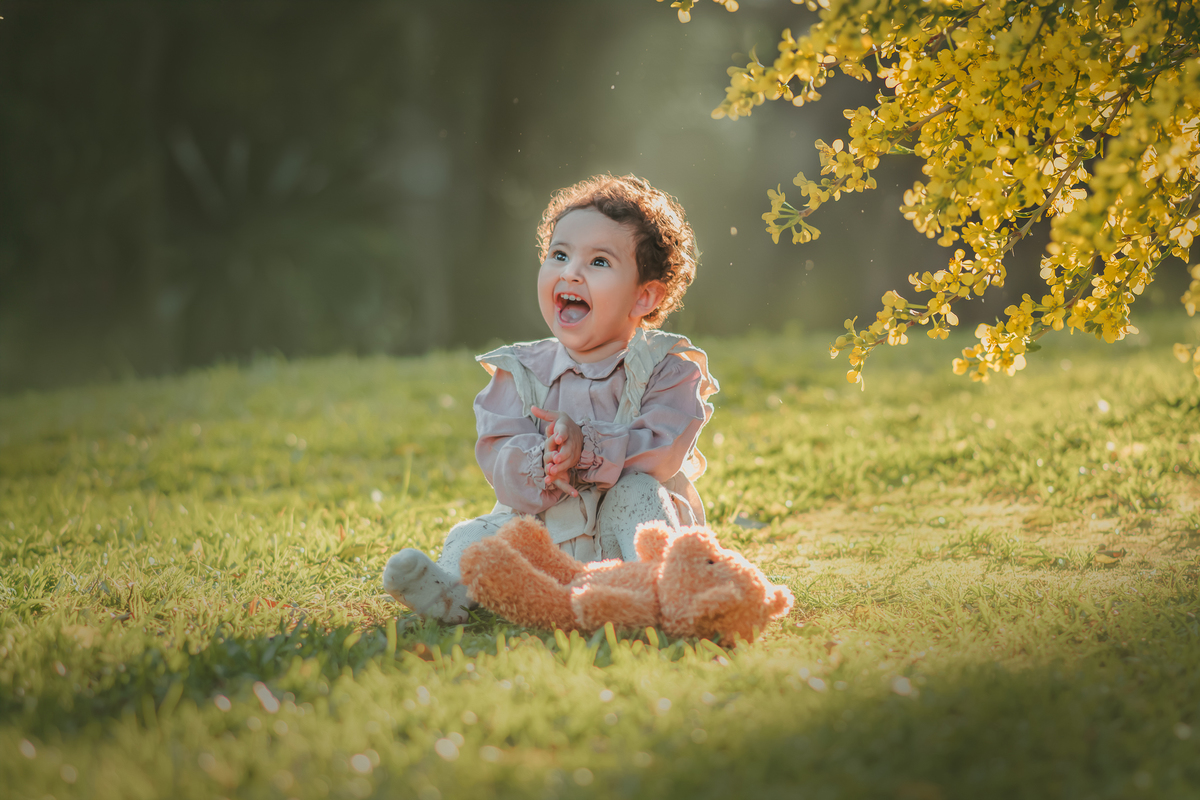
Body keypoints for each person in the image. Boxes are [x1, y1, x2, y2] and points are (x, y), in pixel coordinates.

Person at [382, 174, 719, 623]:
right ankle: (451, 593)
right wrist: (545, 459)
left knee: (637, 492)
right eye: (559, 255)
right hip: (545, 537)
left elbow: (663, 448)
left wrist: (588, 449)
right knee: (482, 533)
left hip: (624, 534)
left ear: (644, 297)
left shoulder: (668, 367)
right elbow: (499, 455)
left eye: (599, 262)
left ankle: (656, 590)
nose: (571, 271)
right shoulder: (521, 371)